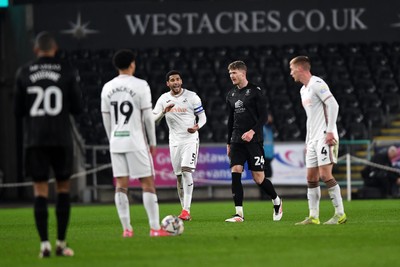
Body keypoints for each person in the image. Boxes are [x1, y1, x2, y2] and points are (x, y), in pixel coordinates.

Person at [14, 32, 82, 258]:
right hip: (61, 138)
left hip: (35, 140)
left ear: (35, 50)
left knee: (40, 191)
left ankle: (44, 245)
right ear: (55, 49)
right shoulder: (68, 70)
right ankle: (61, 243)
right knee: (63, 189)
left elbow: (17, 111)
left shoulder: (23, 72)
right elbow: (77, 108)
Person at [101, 49, 171, 237]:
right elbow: (148, 118)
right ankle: (155, 228)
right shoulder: (141, 85)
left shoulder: (107, 87)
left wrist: (111, 140)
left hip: (116, 141)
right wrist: (152, 142)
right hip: (136, 141)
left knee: (121, 185)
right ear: (132, 64)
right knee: (147, 183)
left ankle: (126, 229)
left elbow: (106, 119)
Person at [289, 56, 347, 225]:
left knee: (324, 174)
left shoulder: (317, 83)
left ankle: (340, 214)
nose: (290, 72)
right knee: (311, 178)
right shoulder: (303, 90)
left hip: (325, 136)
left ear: (300, 69)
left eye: (292, 69)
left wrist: (329, 131)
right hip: (313, 139)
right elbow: (310, 118)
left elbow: (334, 105)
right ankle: (313, 216)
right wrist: (308, 142)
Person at [225, 60, 283, 222]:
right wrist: (228, 142)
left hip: (254, 140)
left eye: (234, 73)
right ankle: (239, 214)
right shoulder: (231, 94)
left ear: (243, 73)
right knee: (236, 170)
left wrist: (252, 131)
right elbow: (230, 120)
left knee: (258, 178)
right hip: (236, 140)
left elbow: (264, 117)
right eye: (230, 74)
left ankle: (277, 201)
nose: (231, 76)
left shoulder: (256, 92)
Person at [153, 70, 207, 221]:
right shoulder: (163, 99)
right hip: (174, 142)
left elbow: (203, 117)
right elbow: (153, 120)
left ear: (181, 81)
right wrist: (163, 112)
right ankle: (184, 210)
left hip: (190, 139)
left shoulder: (192, 96)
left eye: (177, 79)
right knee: (178, 177)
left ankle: (186, 210)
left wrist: (197, 127)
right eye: (172, 80)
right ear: (168, 83)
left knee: (186, 171)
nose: (175, 82)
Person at [260, 114, 275, 200]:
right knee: (264, 173)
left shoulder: (270, 129)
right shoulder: (263, 128)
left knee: (268, 173)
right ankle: (264, 193)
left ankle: (267, 192)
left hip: (269, 154)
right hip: (263, 154)